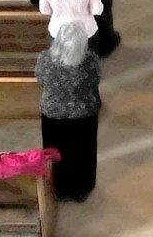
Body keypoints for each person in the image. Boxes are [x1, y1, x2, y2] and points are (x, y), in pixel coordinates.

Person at [35, 21, 101, 203]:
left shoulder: (44, 59)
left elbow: (40, 80)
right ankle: (81, 189)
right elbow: (96, 81)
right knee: (83, 153)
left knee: (54, 152)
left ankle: (58, 189)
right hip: (83, 115)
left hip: (53, 115)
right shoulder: (90, 61)